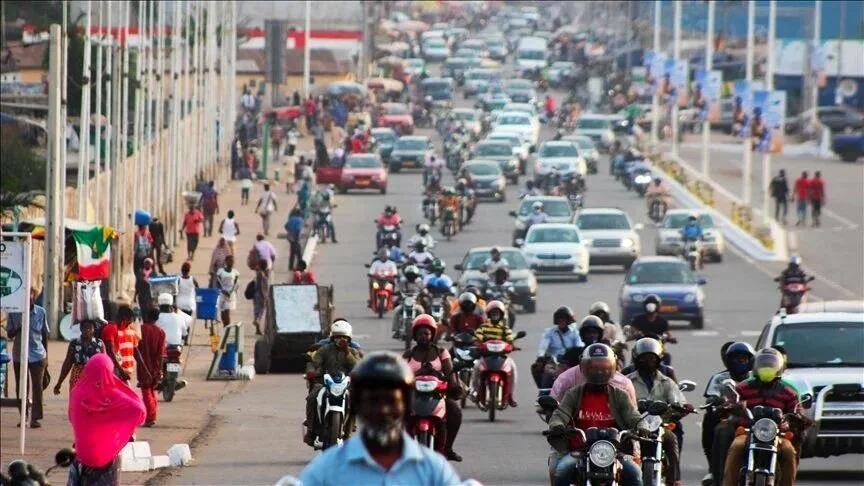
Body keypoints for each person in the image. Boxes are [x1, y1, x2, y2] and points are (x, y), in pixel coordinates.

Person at [299, 351, 461, 485]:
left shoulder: (434, 470)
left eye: (391, 401)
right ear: (356, 404)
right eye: (373, 401)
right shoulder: (324, 471)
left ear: (406, 404)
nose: (383, 410)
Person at [547, 344, 644, 486]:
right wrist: (557, 425)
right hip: (580, 450)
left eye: (604, 368)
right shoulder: (574, 393)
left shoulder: (620, 395)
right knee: (562, 470)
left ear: (612, 368)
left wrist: (642, 426)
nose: (599, 372)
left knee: (635, 473)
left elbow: (633, 416)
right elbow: (561, 413)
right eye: (594, 368)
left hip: (614, 451)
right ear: (584, 368)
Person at [722, 348, 802, 486]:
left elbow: (797, 410)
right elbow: (730, 403)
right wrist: (733, 406)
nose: (767, 368)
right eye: (763, 364)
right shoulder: (743, 388)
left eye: (771, 365)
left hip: (777, 435)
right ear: (755, 366)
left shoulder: (788, 392)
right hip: (748, 432)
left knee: (789, 452)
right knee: (736, 447)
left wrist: (795, 418)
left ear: (779, 367)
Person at [67, 354, 146, 486]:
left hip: (82, 454)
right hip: (106, 457)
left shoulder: (76, 392)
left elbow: (71, 417)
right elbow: (139, 410)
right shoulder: (112, 395)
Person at [627, 338, 690, 486]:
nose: (647, 361)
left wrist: (683, 407)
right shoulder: (627, 381)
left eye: (651, 358)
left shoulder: (667, 382)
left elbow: (677, 400)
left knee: (671, 438)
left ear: (658, 359)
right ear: (636, 359)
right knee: (621, 447)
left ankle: (673, 479)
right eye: (643, 358)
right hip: (633, 427)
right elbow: (619, 400)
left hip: (659, 426)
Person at [402, 315, 464, 461]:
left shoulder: (441, 352)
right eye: (420, 333)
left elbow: (449, 372)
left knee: (455, 411)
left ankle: (447, 448)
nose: (424, 336)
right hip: (413, 395)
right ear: (415, 336)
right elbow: (400, 374)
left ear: (432, 335)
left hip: (438, 394)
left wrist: (453, 383)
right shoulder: (408, 355)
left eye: (427, 333)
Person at [304, 320, 362, 447]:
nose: (340, 339)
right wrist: (311, 372)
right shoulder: (324, 350)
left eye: (344, 337)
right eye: (337, 336)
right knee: (312, 397)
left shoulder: (353, 352)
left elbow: (357, 367)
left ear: (349, 339)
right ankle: (311, 430)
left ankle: (348, 432)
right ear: (332, 337)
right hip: (325, 384)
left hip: (346, 385)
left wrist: (346, 352)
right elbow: (314, 363)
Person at [703, 342, 754, 484]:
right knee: (717, 427)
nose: (740, 362)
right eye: (736, 359)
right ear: (728, 361)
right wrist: (719, 402)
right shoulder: (720, 378)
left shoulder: (755, 378)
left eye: (743, 359)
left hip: (755, 420)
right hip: (729, 417)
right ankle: (716, 472)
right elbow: (711, 398)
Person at [6, 287, 49, 428]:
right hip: (20, 355)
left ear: (34, 298)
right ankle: (23, 416)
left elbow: (45, 335)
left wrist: (46, 357)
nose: (27, 300)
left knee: (37, 387)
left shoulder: (41, 312)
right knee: (22, 387)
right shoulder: (14, 312)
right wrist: (19, 328)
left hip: (38, 355)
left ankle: (35, 418)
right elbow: (9, 334)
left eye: (30, 298)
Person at [470, 301, 518, 407]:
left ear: (501, 315)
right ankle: (476, 392)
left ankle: (510, 396)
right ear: (489, 314)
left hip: (502, 357)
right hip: (486, 356)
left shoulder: (505, 328)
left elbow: (510, 339)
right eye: (493, 312)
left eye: (497, 312)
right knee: (476, 368)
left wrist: (512, 345)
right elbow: (478, 338)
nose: (495, 315)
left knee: (513, 368)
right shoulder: (483, 327)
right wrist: (477, 343)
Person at [533, 306, 582, 388]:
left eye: (564, 319)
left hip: (570, 362)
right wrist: (540, 356)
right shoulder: (549, 332)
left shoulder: (575, 333)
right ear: (556, 320)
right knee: (548, 374)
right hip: (554, 362)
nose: (561, 321)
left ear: (569, 321)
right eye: (560, 319)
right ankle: (543, 395)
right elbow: (542, 347)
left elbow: (579, 346)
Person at [54, 319, 105, 394]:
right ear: (81, 328)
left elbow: (105, 364)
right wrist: (59, 383)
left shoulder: (99, 343)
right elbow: (67, 363)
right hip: (77, 377)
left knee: (93, 403)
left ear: (94, 329)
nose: (87, 330)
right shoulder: (74, 343)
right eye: (84, 328)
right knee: (77, 401)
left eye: (89, 328)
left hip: (95, 378)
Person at [136, 308, 166, 427]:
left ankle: (150, 417)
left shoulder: (141, 330)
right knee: (152, 391)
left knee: (146, 391)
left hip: (143, 364)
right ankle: (152, 415)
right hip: (156, 365)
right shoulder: (160, 332)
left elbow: (136, 349)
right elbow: (161, 354)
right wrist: (160, 369)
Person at [100, 304, 138, 384]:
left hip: (116, 367)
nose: (128, 325)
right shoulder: (111, 328)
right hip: (112, 368)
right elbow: (110, 351)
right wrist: (121, 370)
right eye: (128, 322)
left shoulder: (115, 328)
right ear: (124, 319)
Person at [391, 265, 427, 339]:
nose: (411, 277)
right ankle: (396, 330)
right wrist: (397, 293)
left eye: (413, 275)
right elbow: (398, 289)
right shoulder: (403, 281)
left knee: (421, 311)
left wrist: (424, 293)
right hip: (404, 303)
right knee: (396, 311)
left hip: (416, 303)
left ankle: (422, 329)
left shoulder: (419, 282)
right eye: (409, 275)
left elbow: (424, 290)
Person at [215, 255, 240, 326]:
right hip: (222, 293)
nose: (231, 263)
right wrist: (223, 291)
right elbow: (218, 283)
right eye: (230, 261)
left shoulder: (235, 272)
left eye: (232, 261)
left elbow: (236, 284)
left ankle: (228, 328)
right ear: (226, 262)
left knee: (227, 312)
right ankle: (225, 326)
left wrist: (231, 291)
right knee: (223, 312)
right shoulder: (220, 272)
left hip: (230, 295)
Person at [253, 258, 270, 335]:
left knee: (256, 310)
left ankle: (257, 329)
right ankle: (258, 320)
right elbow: (262, 287)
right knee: (261, 311)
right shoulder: (262, 274)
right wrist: (264, 297)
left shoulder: (259, 273)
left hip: (256, 294)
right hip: (261, 295)